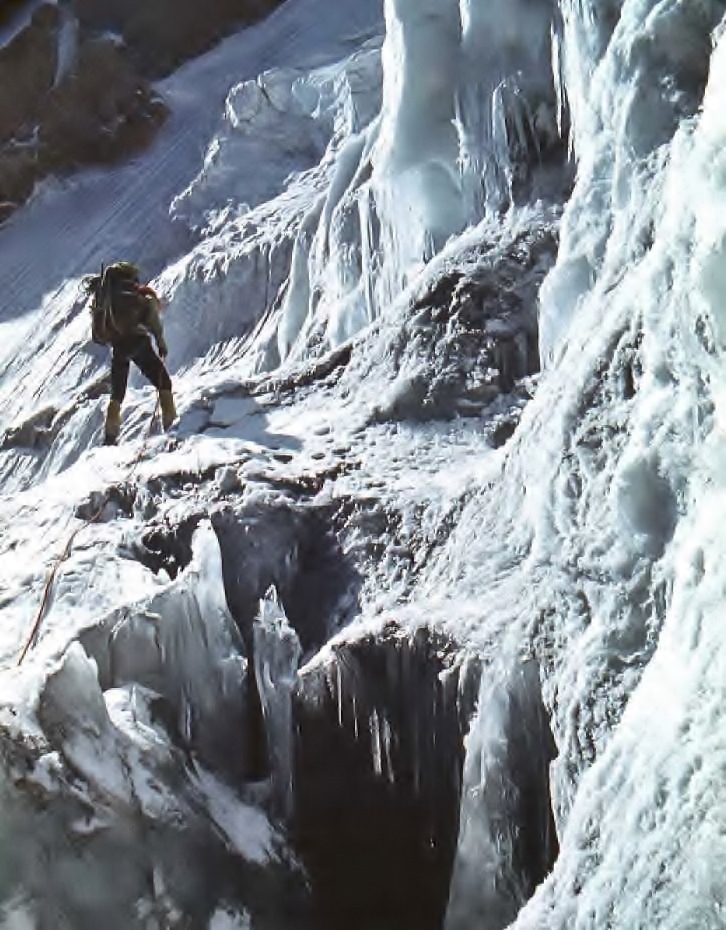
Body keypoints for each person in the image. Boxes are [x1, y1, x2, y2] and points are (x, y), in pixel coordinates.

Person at [85, 262, 176, 444]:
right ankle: (172, 426)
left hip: (118, 347)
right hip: (138, 342)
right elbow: (153, 322)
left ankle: (110, 437)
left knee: (117, 394)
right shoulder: (137, 295)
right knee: (163, 382)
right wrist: (161, 342)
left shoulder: (107, 297)